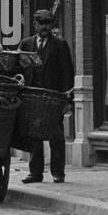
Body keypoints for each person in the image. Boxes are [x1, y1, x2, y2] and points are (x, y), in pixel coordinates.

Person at [21, 9, 74, 184]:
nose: (44, 27)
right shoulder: (26, 45)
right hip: (32, 97)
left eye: (48, 23)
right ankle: (35, 172)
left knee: (56, 135)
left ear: (52, 25)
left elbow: (67, 72)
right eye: (41, 23)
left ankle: (58, 172)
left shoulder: (60, 45)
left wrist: (67, 98)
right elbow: (18, 69)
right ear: (35, 24)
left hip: (53, 97)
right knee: (34, 135)